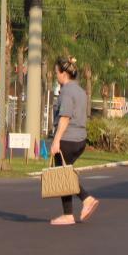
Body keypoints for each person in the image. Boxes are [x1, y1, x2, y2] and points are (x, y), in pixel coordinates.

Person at [49, 57, 100, 226]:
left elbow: (65, 117)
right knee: (66, 174)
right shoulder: (80, 90)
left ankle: (85, 200)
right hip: (80, 139)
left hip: (67, 139)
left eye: (57, 72)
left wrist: (56, 141)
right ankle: (68, 213)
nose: (56, 76)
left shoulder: (66, 91)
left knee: (64, 176)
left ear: (63, 74)